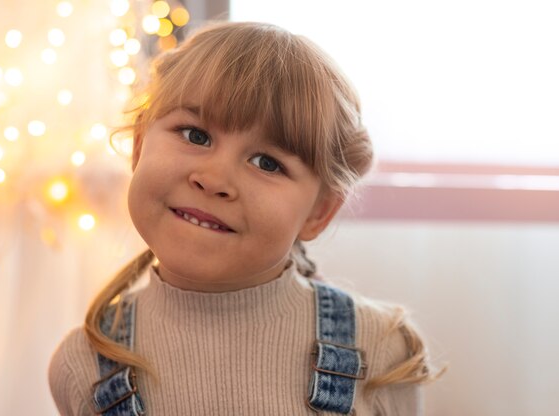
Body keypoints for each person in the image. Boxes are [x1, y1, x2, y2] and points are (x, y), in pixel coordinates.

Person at [49, 21, 437, 415]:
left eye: (266, 163)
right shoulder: (83, 365)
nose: (214, 179)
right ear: (138, 148)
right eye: (195, 135)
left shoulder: (382, 350)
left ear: (319, 212)